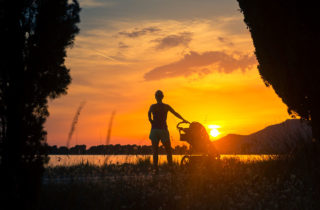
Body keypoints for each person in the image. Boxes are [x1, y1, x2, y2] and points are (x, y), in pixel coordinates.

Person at [148, 90, 189, 174]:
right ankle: (170, 169)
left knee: (155, 151)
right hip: (163, 130)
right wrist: (183, 119)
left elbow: (148, 113)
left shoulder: (152, 106)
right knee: (168, 151)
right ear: (162, 97)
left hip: (154, 130)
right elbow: (175, 113)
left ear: (156, 97)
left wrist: (151, 121)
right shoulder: (166, 106)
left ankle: (156, 170)